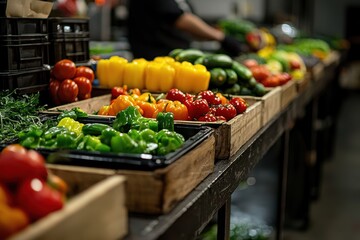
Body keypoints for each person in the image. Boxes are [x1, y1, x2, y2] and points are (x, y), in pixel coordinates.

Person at [126, 0, 244, 60]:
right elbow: (180, 19)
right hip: (156, 64)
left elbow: (192, 27)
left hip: (177, 62)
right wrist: (221, 37)